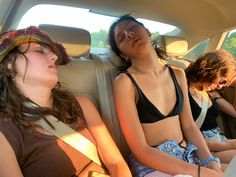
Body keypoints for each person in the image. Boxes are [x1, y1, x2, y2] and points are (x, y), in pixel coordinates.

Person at [0, 26, 132, 177]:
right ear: (9, 63)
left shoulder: (82, 104)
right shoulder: (5, 131)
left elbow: (115, 163)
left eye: (52, 52)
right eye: (39, 50)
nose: (54, 57)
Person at [108, 14, 223, 177]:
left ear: (147, 31)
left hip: (187, 155)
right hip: (153, 165)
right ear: (122, 54)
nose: (129, 34)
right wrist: (199, 172)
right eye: (121, 37)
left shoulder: (178, 74)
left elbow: (190, 127)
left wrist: (210, 163)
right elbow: (141, 149)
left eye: (133, 28)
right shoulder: (125, 82)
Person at [185, 49, 236, 167]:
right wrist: (228, 145)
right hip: (203, 147)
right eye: (222, 81)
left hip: (219, 140)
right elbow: (185, 135)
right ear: (213, 71)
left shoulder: (210, 92)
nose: (221, 86)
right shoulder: (183, 88)